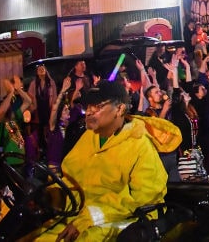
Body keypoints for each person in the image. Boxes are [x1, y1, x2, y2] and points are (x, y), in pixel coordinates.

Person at [29, 79, 177, 242]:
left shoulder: (139, 144)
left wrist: (88, 218)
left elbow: (144, 198)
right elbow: (71, 179)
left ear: (119, 109)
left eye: (98, 107)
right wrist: (52, 196)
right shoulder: (89, 137)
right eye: (89, 106)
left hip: (129, 219)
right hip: (82, 216)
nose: (90, 112)